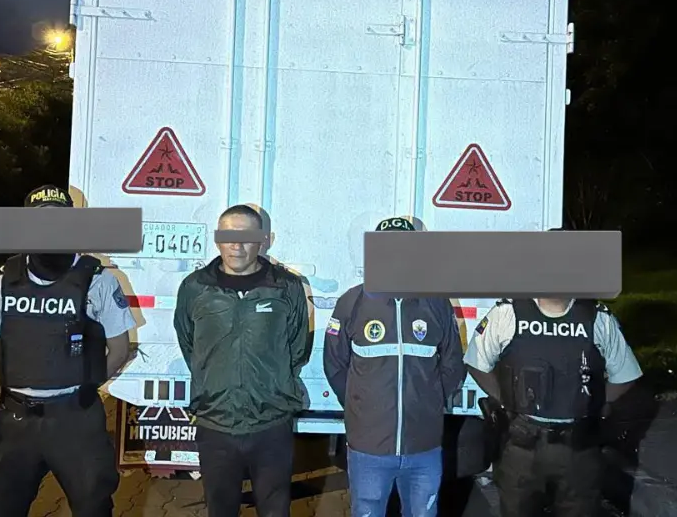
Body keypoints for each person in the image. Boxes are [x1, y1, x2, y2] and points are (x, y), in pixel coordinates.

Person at [0, 184, 135, 517]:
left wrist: (83, 387)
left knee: (93, 508)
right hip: (17, 422)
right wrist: (21, 383)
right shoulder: (1, 279)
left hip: (76, 421)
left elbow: (119, 348)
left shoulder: (98, 280)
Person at [323, 216, 467, 517]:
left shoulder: (437, 304)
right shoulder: (352, 302)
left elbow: (453, 364)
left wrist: (429, 402)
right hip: (368, 448)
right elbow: (335, 365)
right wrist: (361, 406)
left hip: (424, 446)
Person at [173, 204, 311, 517]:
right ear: (217, 239)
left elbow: (297, 347)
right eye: (228, 236)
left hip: (271, 423)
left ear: (263, 240)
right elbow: (188, 342)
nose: (237, 245)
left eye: (247, 236)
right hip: (215, 423)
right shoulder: (195, 288)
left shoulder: (286, 287)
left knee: (275, 510)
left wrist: (270, 386)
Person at [464, 296, 644, 517]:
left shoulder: (597, 318)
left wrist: (596, 401)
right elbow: (476, 362)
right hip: (521, 445)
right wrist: (506, 399)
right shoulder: (507, 313)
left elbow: (626, 375)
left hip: (578, 449)